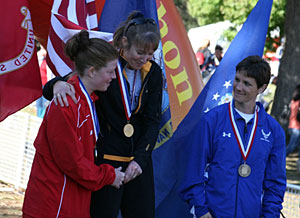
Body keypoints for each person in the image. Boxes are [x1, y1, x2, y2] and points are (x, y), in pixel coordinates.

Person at [43, 11, 163, 218]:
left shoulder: (153, 72)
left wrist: (141, 159)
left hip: (137, 163)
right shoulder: (107, 64)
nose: (144, 59)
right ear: (124, 42)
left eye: (150, 53)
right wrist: (57, 84)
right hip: (106, 161)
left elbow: (152, 120)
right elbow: (69, 81)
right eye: (140, 52)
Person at [22, 30, 125, 218]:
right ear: (92, 71)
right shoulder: (66, 104)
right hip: (53, 205)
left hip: (70, 202)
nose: (114, 77)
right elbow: (73, 163)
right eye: (110, 71)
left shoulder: (86, 99)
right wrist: (109, 176)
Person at [179, 55, 286, 218]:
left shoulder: (273, 131)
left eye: (247, 83)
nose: (238, 87)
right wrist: (201, 209)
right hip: (213, 214)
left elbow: (275, 183)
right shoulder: (212, 120)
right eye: (237, 80)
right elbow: (194, 169)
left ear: (261, 88)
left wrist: (270, 215)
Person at [286, 84, 300, 170]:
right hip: (296, 127)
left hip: (291, 125)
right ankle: (277, 159)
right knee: (291, 147)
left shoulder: (293, 101)